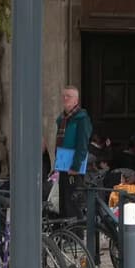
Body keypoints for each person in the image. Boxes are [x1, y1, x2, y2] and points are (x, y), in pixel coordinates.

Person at [54, 85, 92, 218]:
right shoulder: (62, 120)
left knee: (73, 202)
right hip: (63, 165)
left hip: (73, 167)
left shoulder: (82, 119)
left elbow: (82, 144)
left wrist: (75, 166)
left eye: (68, 96)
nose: (65, 99)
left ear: (76, 100)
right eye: (63, 96)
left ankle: (76, 235)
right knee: (63, 201)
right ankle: (65, 234)